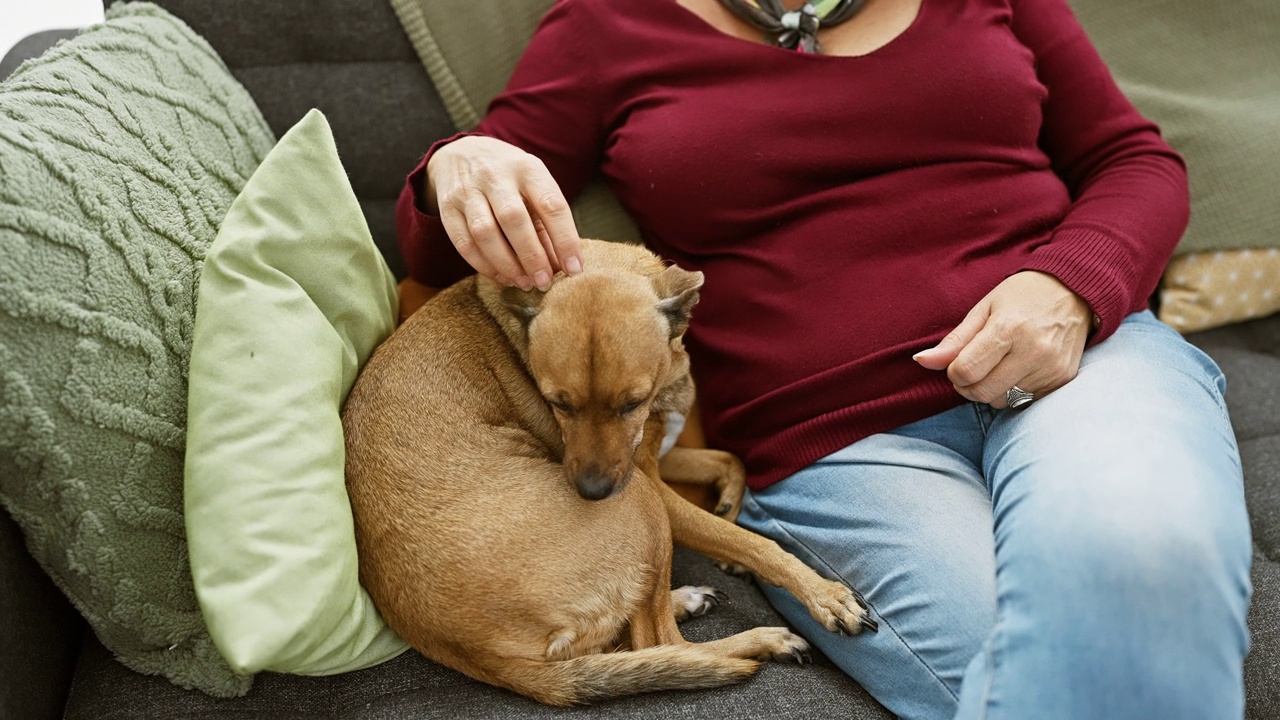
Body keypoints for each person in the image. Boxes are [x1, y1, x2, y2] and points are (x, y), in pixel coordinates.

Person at [395, 0, 1252, 717]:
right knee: (1052, 671)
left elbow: (1135, 157)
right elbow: (449, 247)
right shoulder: (606, 24)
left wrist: (1070, 286)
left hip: (1080, 364)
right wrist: (456, 168)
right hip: (837, 449)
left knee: (1143, 564)